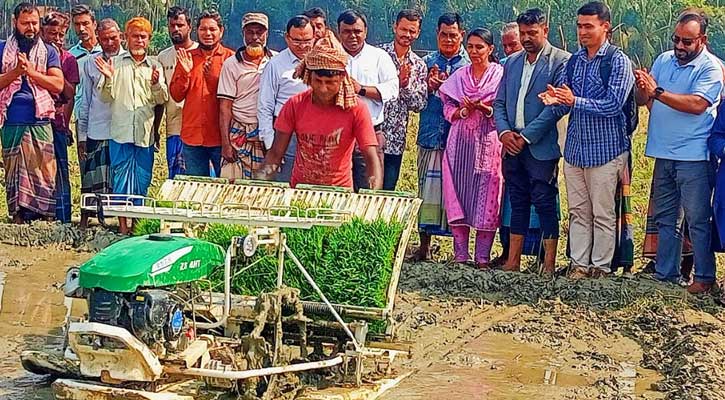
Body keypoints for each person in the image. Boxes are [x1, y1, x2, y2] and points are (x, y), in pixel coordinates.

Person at [541, 1, 635, 278]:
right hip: (575, 150)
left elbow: (613, 104)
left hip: (606, 150)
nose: (583, 32)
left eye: (588, 26)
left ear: (605, 27)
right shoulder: (575, 61)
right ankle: (579, 264)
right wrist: (554, 99)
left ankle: (601, 266)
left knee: (603, 212)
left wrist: (574, 100)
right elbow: (565, 99)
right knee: (579, 211)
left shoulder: (618, 61)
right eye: (580, 26)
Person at [634, 9, 722, 293]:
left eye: (687, 41)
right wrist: (642, 88)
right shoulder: (663, 60)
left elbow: (698, 104)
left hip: (694, 156)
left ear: (702, 40)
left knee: (697, 220)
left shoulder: (711, 67)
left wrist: (657, 91)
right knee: (666, 218)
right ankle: (666, 274)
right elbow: (643, 100)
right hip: (663, 152)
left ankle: (704, 277)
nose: (680, 47)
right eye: (676, 40)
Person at [493, 8, 570, 274]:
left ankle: (548, 264)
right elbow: (499, 102)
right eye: (523, 33)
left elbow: (557, 107)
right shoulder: (511, 62)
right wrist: (504, 133)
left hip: (540, 145)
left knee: (545, 201)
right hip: (511, 144)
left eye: (532, 33)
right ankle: (513, 261)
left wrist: (526, 136)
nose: (526, 38)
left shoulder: (561, 61)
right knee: (518, 199)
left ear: (545, 31)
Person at [255, 31, 383, 190]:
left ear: (342, 78)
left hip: (339, 192)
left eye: (330, 82)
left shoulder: (355, 109)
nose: (323, 89)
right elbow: (274, 156)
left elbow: (371, 158)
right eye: (318, 81)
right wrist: (257, 186)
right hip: (300, 190)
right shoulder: (295, 104)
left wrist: (373, 195)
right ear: (308, 77)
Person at [95, 17, 168, 234]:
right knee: (121, 180)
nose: (139, 41)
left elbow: (162, 98)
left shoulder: (155, 66)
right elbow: (106, 97)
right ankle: (123, 227)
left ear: (149, 39)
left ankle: (137, 227)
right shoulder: (115, 64)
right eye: (134, 36)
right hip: (121, 134)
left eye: (142, 37)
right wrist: (108, 79)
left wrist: (156, 84)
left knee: (142, 181)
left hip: (145, 136)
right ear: (126, 39)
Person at [439, 28, 503, 268]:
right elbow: (446, 104)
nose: (475, 52)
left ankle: (483, 258)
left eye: (480, 47)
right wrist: (462, 111)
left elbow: (504, 108)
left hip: (488, 143)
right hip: (460, 144)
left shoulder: (500, 76)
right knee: (459, 193)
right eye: (471, 46)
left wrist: (485, 109)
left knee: (486, 196)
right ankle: (460, 256)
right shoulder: (460, 75)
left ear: (490, 49)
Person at [409, 12, 470, 262]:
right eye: (443, 35)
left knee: (458, 194)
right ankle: (424, 248)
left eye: (453, 35)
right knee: (426, 192)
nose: (447, 39)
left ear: (461, 35)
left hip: (459, 140)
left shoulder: (469, 64)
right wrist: (428, 87)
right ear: (436, 34)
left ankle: (460, 252)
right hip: (430, 136)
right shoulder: (425, 63)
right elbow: (414, 100)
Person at [0, 3, 64, 224]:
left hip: (40, 120)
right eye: (25, 23)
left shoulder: (49, 51)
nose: (30, 28)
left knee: (44, 172)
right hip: (12, 120)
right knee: (14, 172)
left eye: (34, 23)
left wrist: (32, 73)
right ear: (14, 23)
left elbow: (57, 84)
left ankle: (45, 218)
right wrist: (16, 72)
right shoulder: (1, 49)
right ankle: (17, 218)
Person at [337, 10, 398, 191]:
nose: (353, 36)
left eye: (357, 31)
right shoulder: (331, 56)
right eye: (347, 31)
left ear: (366, 31)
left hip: (370, 132)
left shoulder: (379, 57)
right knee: (338, 187)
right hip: (336, 133)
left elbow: (393, 89)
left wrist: (361, 89)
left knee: (369, 190)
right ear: (338, 32)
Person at [170, 10, 234, 177]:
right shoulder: (187, 57)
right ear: (196, 31)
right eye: (203, 29)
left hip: (221, 137)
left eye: (212, 29)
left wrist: (213, 78)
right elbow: (176, 96)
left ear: (221, 31)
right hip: (193, 137)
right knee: (196, 188)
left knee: (225, 187)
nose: (207, 34)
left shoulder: (230, 59)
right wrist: (185, 73)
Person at [76, 18, 125, 227]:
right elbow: (85, 100)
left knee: (118, 179)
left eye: (113, 38)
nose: (110, 43)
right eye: (104, 39)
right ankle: (85, 222)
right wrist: (81, 134)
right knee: (92, 179)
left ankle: (121, 222)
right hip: (97, 129)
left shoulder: (127, 60)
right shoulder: (90, 63)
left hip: (121, 130)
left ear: (120, 36)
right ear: (99, 39)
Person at [257, 15, 315, 183]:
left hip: (316, 133)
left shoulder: (321, 62)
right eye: (297, 41)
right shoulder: (275, 65)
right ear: (287, 38)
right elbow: (265, 106)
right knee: (285, 184)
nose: (303, 46)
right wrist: (270, 145)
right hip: (286, 135)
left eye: (307, 40)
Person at [218, 13, 274, 180]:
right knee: (233, 188)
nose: (255, 37)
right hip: (239, 135)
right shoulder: (231, 64)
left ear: (267, 34)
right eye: (250, 32)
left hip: (268, 135)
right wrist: (226, 144)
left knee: (267, 188)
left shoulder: (276, 62)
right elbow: (225, 107)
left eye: (259, 32)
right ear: (243, 34)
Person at [379, 9, 427, 191]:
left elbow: (420, 104)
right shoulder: (378, 56)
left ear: (418, 33)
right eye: (404, 29)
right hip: (370, 134)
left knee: (387, 191)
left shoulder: (419, 65)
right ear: (395, 27)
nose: (407, 35)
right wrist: (394, 83)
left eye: (412, 31)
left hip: (396, 140)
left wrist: (404, 86)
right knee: (364, 188)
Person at [42, 11, 79, 223]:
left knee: (60, 170)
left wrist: (56, 70)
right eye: (51, 34)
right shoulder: (33, 56)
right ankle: (38, 216)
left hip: (56, 121)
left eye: (60, 35)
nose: (56, 39)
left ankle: (62, 217)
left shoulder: (68, 59)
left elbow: (69, 94)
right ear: (41, 32)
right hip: (35, 119)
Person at [155, 6, 198, 179]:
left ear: (189, 26)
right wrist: (155, 130)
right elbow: (160, 98)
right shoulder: (163, 57)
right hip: (174, 129)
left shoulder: (200, 52)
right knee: (175, 179)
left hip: (198, 131)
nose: (175, 30)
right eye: (172, 25)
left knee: (198, 181)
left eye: (180, 25)